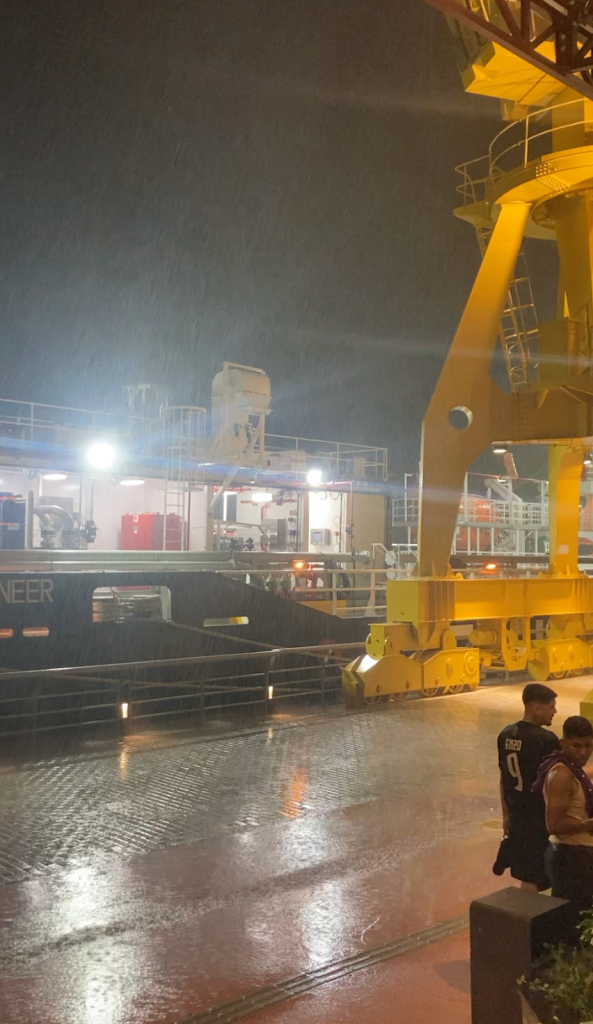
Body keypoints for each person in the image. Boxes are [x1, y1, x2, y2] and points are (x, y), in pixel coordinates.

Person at [494, 683, 559, 891]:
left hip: (517, 816)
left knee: (528, 873)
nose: (555, 711)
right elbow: (561, 776)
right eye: (551, 706)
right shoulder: (545, 739)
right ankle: (534, 921)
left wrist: (505, 815)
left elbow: (504, 779)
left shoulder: (505, 735)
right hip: (538, 818)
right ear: (536, 708)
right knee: (538, 876)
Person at [534, 715, 593, 908]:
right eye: (576, 746)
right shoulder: (561, 775)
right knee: (573, 922)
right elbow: (554, 825)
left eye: (588, 746)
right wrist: (587, 824)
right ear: (563, 743)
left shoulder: (574, 769)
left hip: (580, 855)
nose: (583, 752)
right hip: (570, 858)